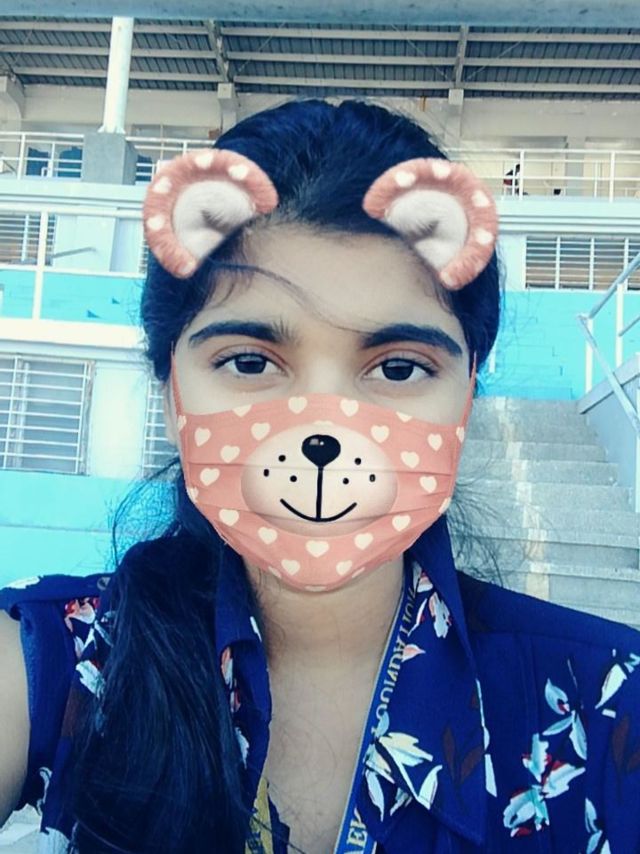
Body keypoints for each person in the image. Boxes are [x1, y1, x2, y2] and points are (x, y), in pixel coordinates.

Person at [0, 99, 639, 854]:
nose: (324, 427)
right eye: (249, 362)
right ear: (172, 395)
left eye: (398, 368)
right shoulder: (52, 667)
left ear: (465, 400)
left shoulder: (611, 704)